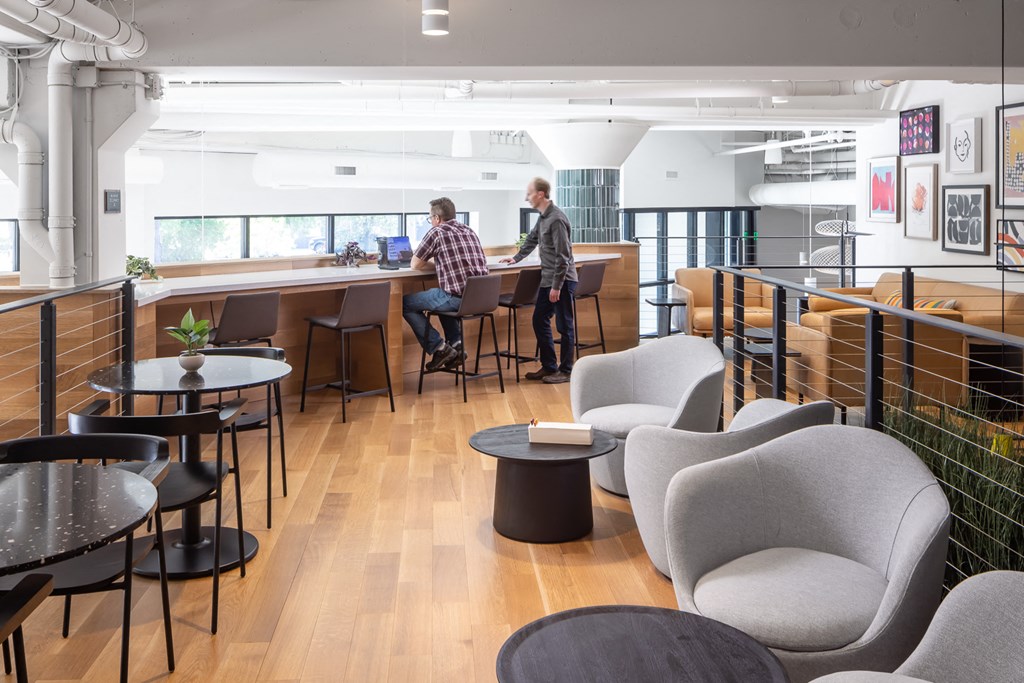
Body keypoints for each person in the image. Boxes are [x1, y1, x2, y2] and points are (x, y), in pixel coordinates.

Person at [500, 177, 578, 384]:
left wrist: (557, 286)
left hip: (562, 281)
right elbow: (532, 239)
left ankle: (567, 371)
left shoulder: (556, 219)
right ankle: (549, 366)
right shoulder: (543, 217)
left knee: (564, 325)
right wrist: (516, 257)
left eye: (529, 193)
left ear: (540, 194)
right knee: (539, 319)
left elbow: (564, 256)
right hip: (548, 280)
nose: (527, 197)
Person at [403, 197, 489, 371]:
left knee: (405, 304)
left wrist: (437, 264)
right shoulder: (469, 230)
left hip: (457, 299)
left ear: (436, 218)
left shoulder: (436, 232)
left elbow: (415, 264)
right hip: (481, 299)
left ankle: (439, 348)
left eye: (430, 219)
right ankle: (457, 345)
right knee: (441, 296)